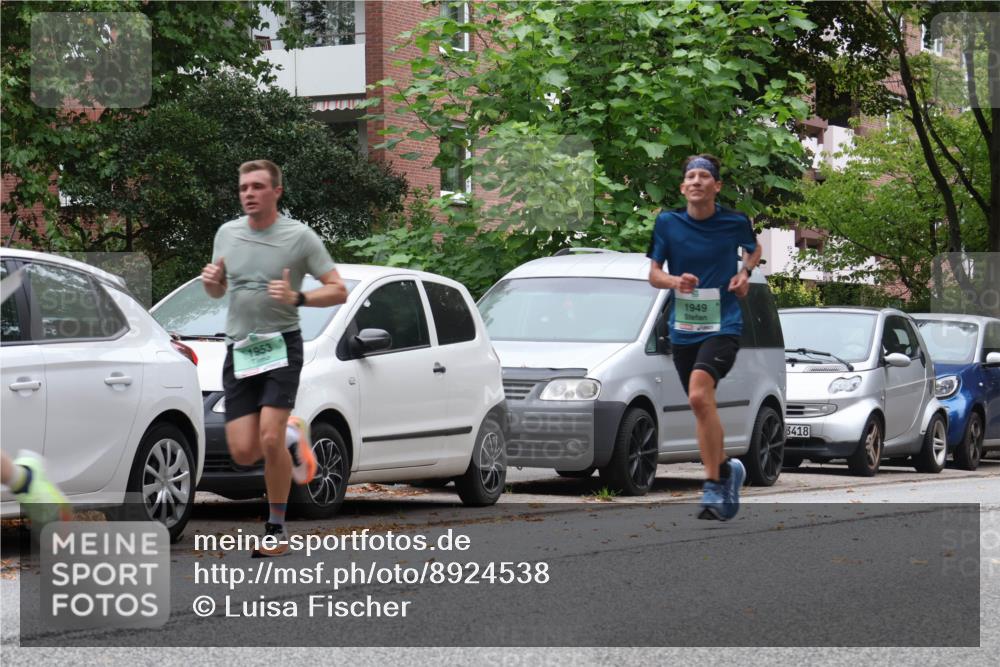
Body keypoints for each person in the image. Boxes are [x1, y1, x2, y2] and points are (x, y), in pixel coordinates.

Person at [202, 159, 347, 556]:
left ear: (276, 191)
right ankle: (292, 434)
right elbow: (218, 292)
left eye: (257, 186)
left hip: (281, 345)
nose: (249, 193)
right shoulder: (227, 234)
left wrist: (298, 297)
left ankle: (276, 530)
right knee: (244, 452)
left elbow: (338, 289)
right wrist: (213, 284)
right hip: (240, 349)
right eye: (243, 187)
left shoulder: (299, 237)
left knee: (268, 437)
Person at [647, 154, 762, 521]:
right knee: (701, 405)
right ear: (683, 187)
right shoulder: (668, 223)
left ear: (717, 186)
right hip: (683, 330)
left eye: (704, 176)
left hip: (723, 326)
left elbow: (754, 249)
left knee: (698, 395)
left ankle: (712, 484)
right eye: (691, 176)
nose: (697, 181)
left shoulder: (734, 222)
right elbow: (653, 274)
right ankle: (727, 468)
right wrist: (674, 281)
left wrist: (744, 273)